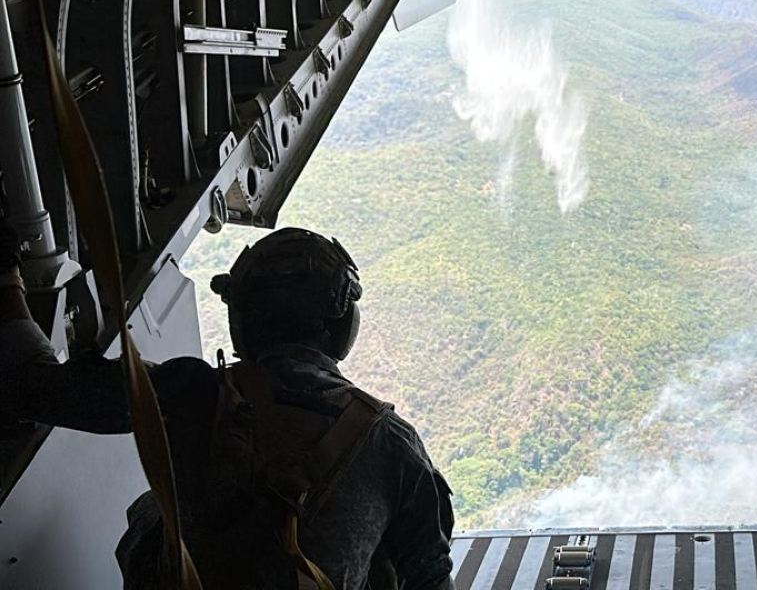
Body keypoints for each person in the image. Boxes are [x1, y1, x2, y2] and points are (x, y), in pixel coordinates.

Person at [0, 225, 455, 589]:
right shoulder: (393, 442)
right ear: (340, 324)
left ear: (243, 319)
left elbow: (36, 387)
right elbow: (430, 575)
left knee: (153, 510)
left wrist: (7, 277)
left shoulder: (190, 392)